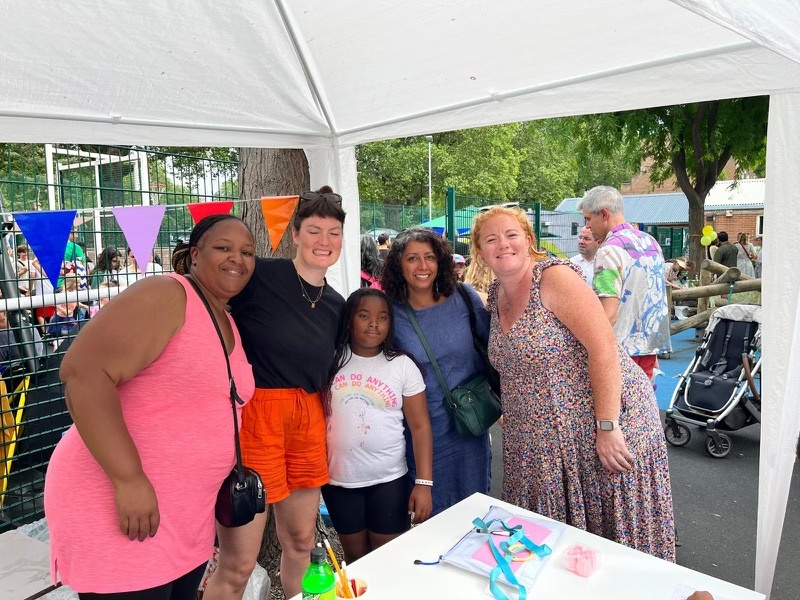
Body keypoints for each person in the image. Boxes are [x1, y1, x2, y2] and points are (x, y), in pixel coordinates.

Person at [43, 214, 257, 598]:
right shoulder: (168, 295)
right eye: (223, 247)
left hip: (187, 519)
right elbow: (84, 372)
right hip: (127, 509)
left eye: (247, 252)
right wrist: (128, 479)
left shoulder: (225, 317)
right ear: (194, 255)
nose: (236, 259)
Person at [472, 206, 675, 561]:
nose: (503, 244)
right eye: (491, 239)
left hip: (600, 429)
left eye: (511, 235)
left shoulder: (553, 279)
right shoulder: (496, 295)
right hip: (541, 447)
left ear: (528, 241)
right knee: (547, 552)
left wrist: (608, 426)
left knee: (611, 548)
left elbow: (603, 346)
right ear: (480, 251)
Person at [205, 187, 346, 600]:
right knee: (238, 562)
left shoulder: (337, 303)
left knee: (301, 540)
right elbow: (210, 302)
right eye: (314, 231)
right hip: (256, 417)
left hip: (309, 418)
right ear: (295, 234)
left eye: (334, 233)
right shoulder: (261, 276)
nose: (324, 241)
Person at [380, 227, 492, 516]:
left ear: (440, 261)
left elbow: (495, 345)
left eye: (429, 257)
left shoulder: (463, 297)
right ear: (398, 264)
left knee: (473, 512)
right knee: (427, 515)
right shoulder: (390, 311)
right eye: (412, 258)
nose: (422, 266)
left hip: (469, 425)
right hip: (420, 429)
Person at [321, 288, 433, 563]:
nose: (374, 323)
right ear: (349, 319)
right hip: (339, 481)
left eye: (382, 317)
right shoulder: (330, 360)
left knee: (389, 561)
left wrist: (424, 484)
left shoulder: (402, 366)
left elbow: (420, 427)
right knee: (356, 560)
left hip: (389, 481)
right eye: (364, 315)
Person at [579, 186, 671, 380]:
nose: (588, 226)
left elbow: (608, 314)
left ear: (604, 214)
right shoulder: (651, 242)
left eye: (588, 219)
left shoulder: (609, 250)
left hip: (619, 349)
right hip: (649, 344)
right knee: (644, 397)